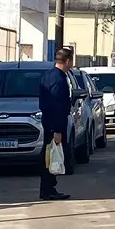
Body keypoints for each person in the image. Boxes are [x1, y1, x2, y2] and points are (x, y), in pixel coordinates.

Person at [37, 48, 74, 201]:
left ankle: (48, 187)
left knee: (49, 154)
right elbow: (58, 106)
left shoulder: (47, 75)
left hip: (47, 120)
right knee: (51, 155)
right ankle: (48, 188)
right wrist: (57, 130)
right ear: (68, 61)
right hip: (55, 123)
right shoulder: (60, 80)